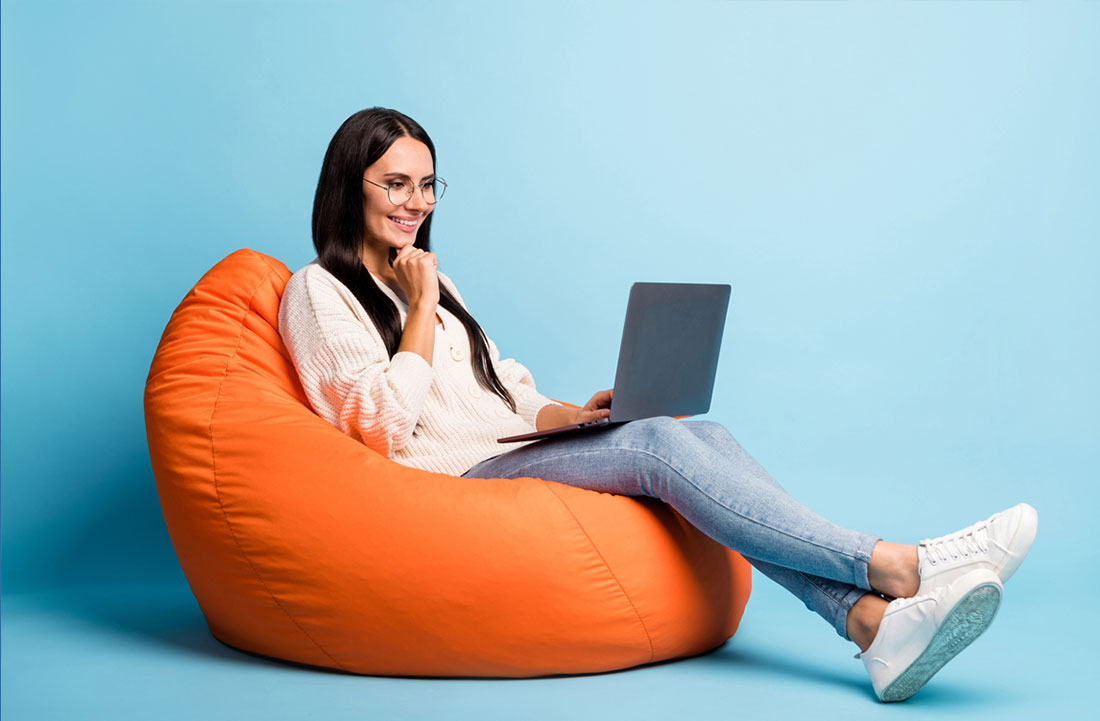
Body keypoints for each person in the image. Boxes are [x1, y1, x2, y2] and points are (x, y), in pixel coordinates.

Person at [277, 107, 1038, 703]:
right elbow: (375, 425)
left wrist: (574, 413)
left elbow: (503, 389)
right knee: (660, 451)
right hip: (450, 486)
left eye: (428, 183)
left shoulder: (438, 285)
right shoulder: (320, 290)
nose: (417, 202)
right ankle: (897, 565)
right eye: (396, 183)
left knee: (695, 430)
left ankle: (870, 625)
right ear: (351, 186)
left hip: (504, 450)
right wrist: (415, 306)